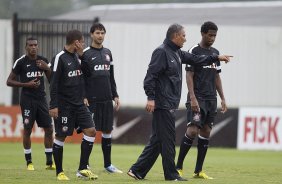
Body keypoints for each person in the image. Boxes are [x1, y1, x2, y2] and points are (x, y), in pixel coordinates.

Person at [127, 23, 232, 181]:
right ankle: (171, 175)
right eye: (183, 35)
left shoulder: (177, 52)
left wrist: (216, 57)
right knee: (168, 139)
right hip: (163, 104)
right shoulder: (161, 52)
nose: (185, 38)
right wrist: (150, 98)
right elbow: (150, 77)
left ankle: (137, 171)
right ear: (175, 36)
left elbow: (196, 59)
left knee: (158, 140)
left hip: (169, 103)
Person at [176, 21, 227, 179]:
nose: (212, 38)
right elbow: (189, 75)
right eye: (210, 35)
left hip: (211, 99)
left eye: (215, 35)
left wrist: (223, 98)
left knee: (206, 132)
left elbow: (217, 77)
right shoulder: (193, 51)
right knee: (192, 130)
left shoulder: (216, 53)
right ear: (203, 34)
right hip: (197, 98)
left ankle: (198, 171)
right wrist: (192, 98)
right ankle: (178, 167)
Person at [49, 30, 97, 181]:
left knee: (91, 131)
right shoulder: (60, 58)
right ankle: (60, 172)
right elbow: (53, 84)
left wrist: (83, 55)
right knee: (61, 136)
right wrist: (53, 105)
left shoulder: (78, 57)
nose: (84, 44)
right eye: (82, 41)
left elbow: (89, 74)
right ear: (76, 42)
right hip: (64, 106)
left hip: (80, 104)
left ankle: (82, 169)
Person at [6, 37, 55, 171]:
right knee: (27, 129)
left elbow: (53, 81)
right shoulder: (21, 62)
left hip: (41, 99)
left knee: (49, 129)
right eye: (31, 45)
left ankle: (49, 162)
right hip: (27, 100)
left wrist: (47, 69)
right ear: (26, 47)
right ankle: (29, 162)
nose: (33, 47)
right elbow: (9, 81)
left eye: (35, 45)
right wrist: (25, 85)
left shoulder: (43, 60)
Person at [81, 23, 122, 173]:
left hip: (106, 99)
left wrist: (115, 95)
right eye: (97, 33)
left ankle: (108, 165)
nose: (100, 36)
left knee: (107, 131)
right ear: (91, 34)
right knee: (89, 131)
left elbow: (111, 76)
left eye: (102, 33)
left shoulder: (108, 53)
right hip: (91, 99)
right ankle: (84, 165)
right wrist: (83, 96)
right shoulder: (85, 54)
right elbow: (81, 78)